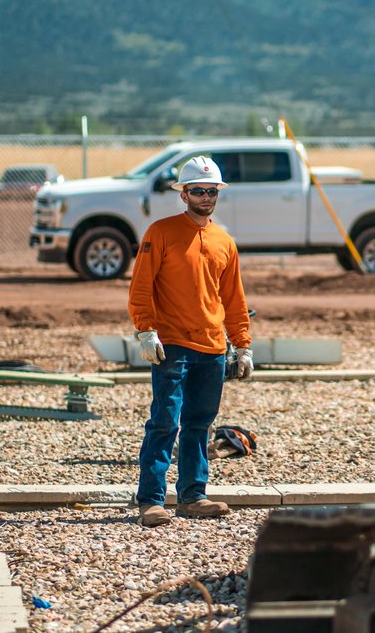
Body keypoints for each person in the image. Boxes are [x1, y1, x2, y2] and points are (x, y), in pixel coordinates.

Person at [127, 155, 254, 527]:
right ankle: (150, 500)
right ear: (183, 195)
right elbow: (141, 287)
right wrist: (145, 330)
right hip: (172, 346)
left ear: (218, 194)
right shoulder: (161, 232)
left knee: (200, 424)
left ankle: (193, 496)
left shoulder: (224, 242)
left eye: (211, 190)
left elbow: (234, 299)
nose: (205, 196)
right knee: (165, 422)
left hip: (213, 349)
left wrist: (242, 344)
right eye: (197, 190)